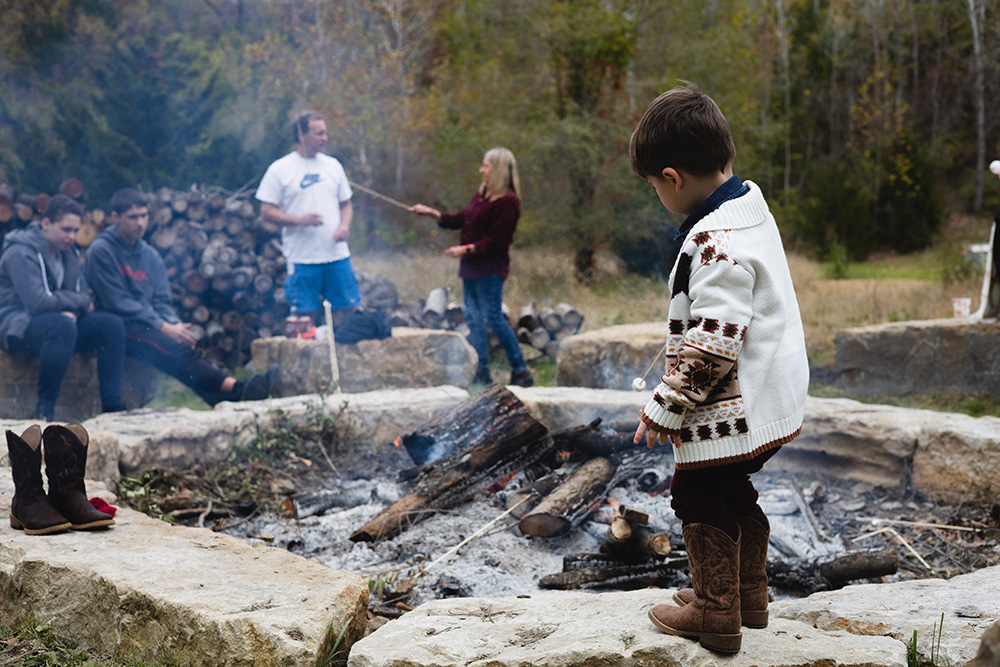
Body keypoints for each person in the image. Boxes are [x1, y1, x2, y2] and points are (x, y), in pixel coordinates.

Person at [629, 85, 809, 654]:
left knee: (695, 492)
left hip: (740, 403)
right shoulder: (749, 208)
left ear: (672, 177)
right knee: (733, 487)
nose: (659, 194)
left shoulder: (715, 239)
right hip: (774, 397)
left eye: (655, 186)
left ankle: (715, 612)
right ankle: (747, 595)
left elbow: (715, 339)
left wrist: (667, 404)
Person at [84, 188, 274, 406]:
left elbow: (162, 301)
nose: (140, 223)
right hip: (113, 328)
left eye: (144, 216)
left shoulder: (149, 254)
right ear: (115, 217)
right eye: (133, 217)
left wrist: (175, 326)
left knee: (179, 346)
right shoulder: (102, 250)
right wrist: (163, 327)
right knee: (170, 348)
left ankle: (228, 397)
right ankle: (235, 388)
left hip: (145, 324)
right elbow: (117, 302)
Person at [409, 147, 533, 387]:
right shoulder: (482, 196)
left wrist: (465, 249)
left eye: (485, 166)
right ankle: (481, 370)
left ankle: (520, 369)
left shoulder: (508, 203)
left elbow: (497, 241)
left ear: (497, 169)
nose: (481, 170)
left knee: (494, 319)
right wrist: (431, 213)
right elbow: (459, 219)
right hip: (471, 269)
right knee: (473, 318)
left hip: (491, 269)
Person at [0, 195, 127, 421]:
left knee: (111, 325)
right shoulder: (20, 252)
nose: (71, 236)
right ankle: (44, 411)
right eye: (66, 229)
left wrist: (72, 305)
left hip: (58, 324)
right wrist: (75, 304)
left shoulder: (69, 252)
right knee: (62, 325)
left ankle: (112, 409)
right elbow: (38, 302)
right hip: (17, 325)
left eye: (75, 230)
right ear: (46, 224)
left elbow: (87, 297)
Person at [256, 110, 363, 330]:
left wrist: (344, 226)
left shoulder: (332, 165)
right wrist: (299, 220)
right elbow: (266, 211)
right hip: (303, 258)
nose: (324, 138)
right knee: (304, 319)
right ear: (301, 135)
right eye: (318, 134)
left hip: (336, 255)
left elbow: (346, 204)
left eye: (325, 133)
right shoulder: (280, 169)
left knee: (352, 311)